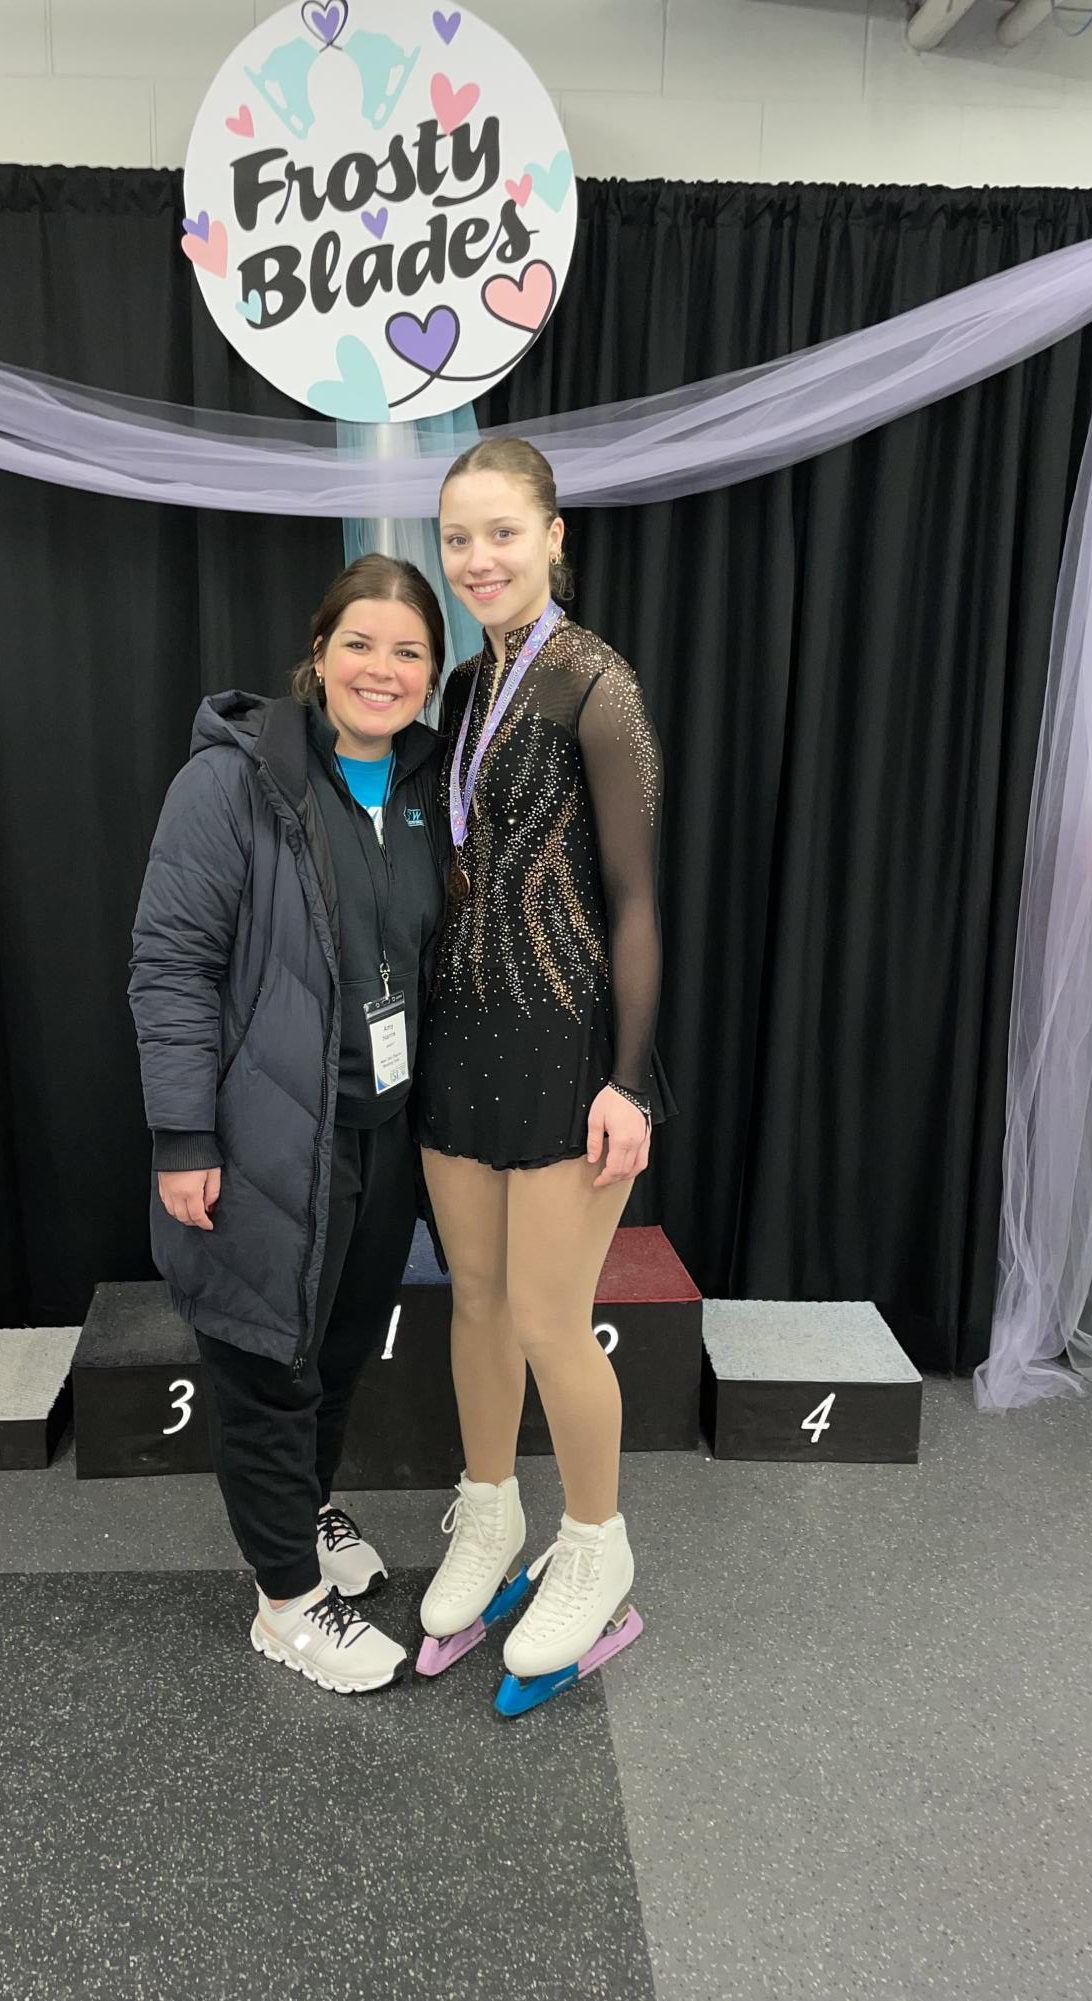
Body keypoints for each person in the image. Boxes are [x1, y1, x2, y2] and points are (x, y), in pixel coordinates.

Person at [129, 554, 447, 1697]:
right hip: (261, 1136)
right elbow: (169, 965)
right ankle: (286, 1604)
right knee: (266, 1361)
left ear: (431, 675)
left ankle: (304, 1514)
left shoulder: (420, 789)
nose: (383, 668)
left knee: (336, 1354)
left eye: (409, 651)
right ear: (317, 653)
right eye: (361, 642)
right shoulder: (230, 784)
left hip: (378, 1132)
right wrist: (181, 1135)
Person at [414, 438, 672, 1714]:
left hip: (569, 1047)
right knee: (472, 1300)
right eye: (458, 537)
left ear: (554, 535)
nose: (478, 559)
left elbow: (632, 900)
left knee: (546, 1320)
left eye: (502, 533)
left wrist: (625, 1078)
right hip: (460, 1037)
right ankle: (486, 1513)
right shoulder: (462, 687)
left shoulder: (595, 685)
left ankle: (593, 1546)